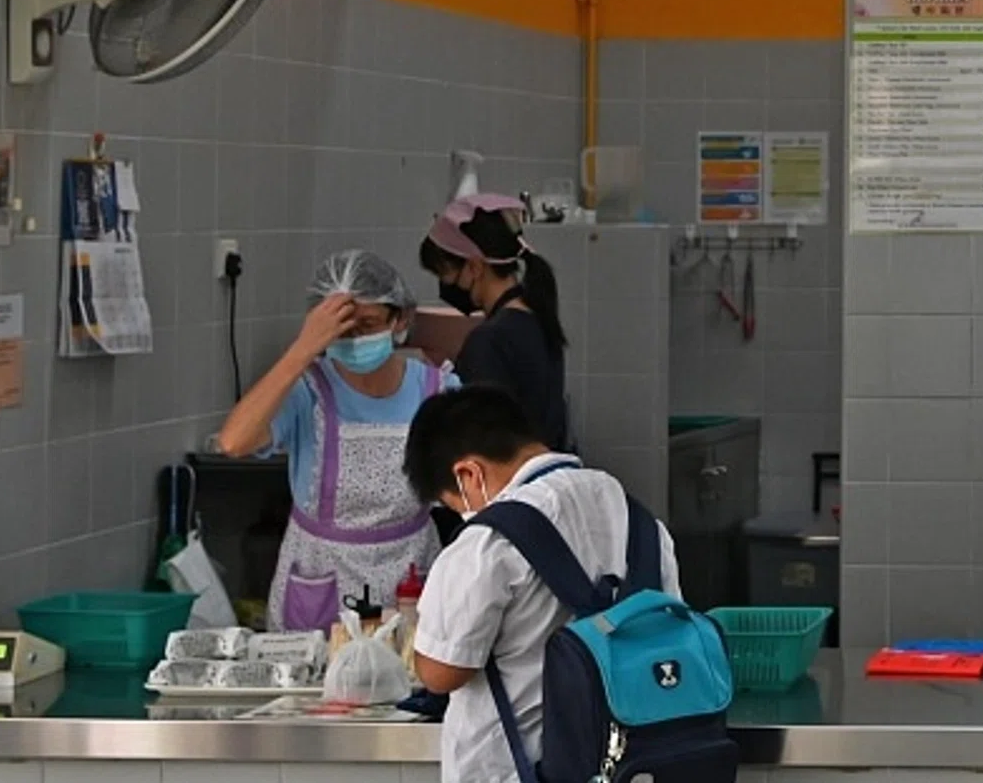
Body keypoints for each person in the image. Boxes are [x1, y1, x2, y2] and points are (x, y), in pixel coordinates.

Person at [404, 386, 682, 783]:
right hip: (631, 766)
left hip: (519, 771)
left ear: (469, 474)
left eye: (454, 505)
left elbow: (442, 673)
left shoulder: (487, 541)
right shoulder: (641, 523)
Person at [217, 250, 457, 632]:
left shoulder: (437, 390)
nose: (355, 338)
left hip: (410, 575)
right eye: (342, 329)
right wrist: (302, 350)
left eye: (367, 324)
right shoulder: (308, 389)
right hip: (319, 576)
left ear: (400, 319)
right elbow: (234, 442)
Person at [419, 193, 572, 453]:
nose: (445, 286)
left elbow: (482, 440)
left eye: (445, 274)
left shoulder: (490, 341)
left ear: (475, 267)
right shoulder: (536, 318)